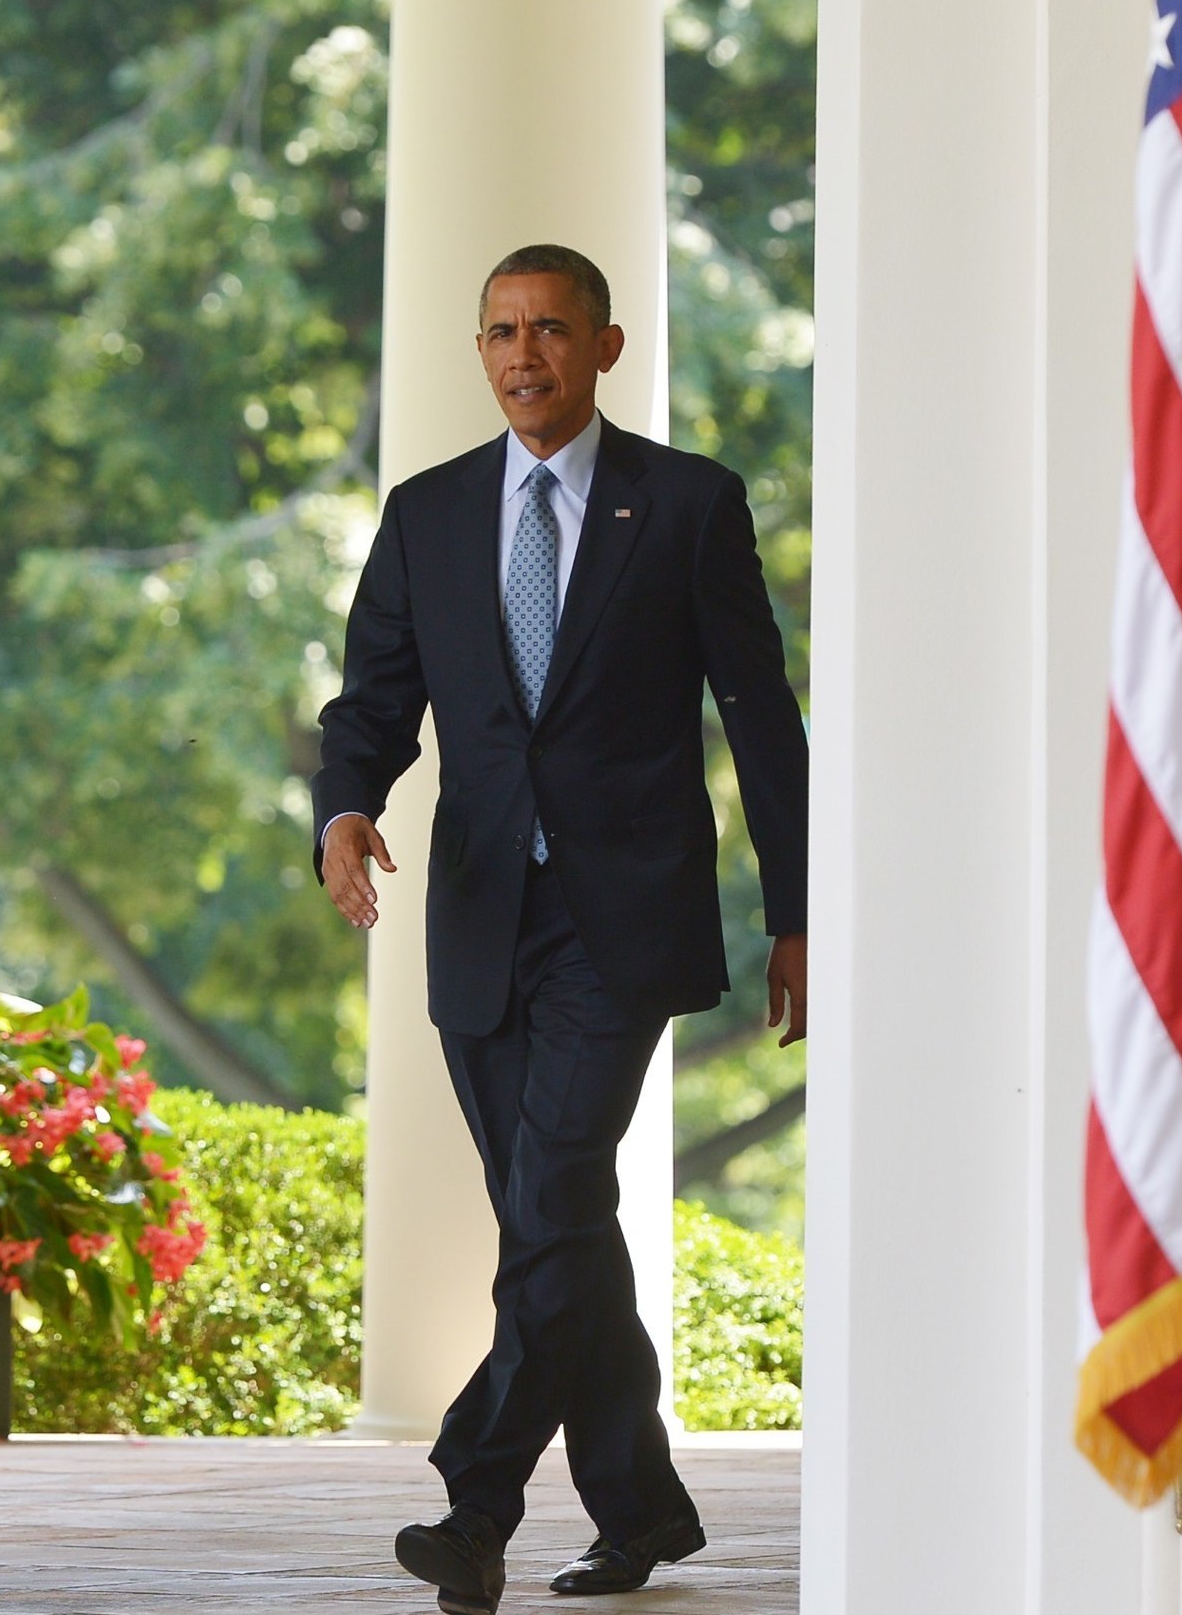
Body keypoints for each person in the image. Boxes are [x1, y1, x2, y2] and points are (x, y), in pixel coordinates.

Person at [313, 244, 809, 1613]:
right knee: (561, 1225)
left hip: (620, 921)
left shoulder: (691, 505)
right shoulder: (428, 513)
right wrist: (344, 812)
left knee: (548, 1204)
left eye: (549, 330)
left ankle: (474, 1506)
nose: (522, 355)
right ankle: (642, 1510)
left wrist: (798, 914)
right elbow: (369, 707)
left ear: (607, 345)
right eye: (500, 332)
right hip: (479, 920)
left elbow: (760, 721)